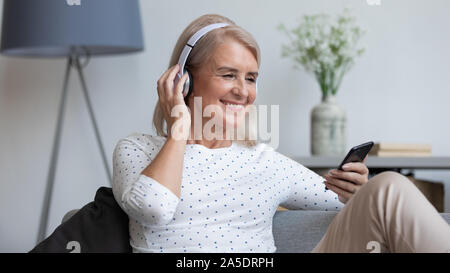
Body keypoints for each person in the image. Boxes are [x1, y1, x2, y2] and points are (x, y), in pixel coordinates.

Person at [111, 14, 450, 253]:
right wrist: (179, 128)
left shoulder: (263, 161)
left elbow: (344, 202)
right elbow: (153, 208)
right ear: (184, 80)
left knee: (386, 188)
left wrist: (355, 190)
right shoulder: (137, 150)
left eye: (251, 78)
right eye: (228, 74)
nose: (243, 91)